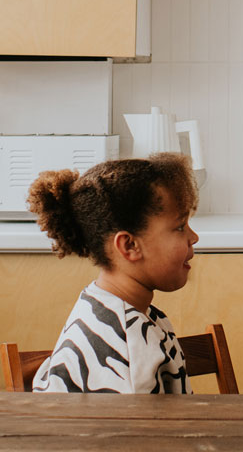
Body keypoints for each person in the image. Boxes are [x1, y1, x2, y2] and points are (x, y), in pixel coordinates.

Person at [27, 153, 199, 393]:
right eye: (180, 227)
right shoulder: (129, 348)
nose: (194, 237)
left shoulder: (106, 306)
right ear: (129, 246)